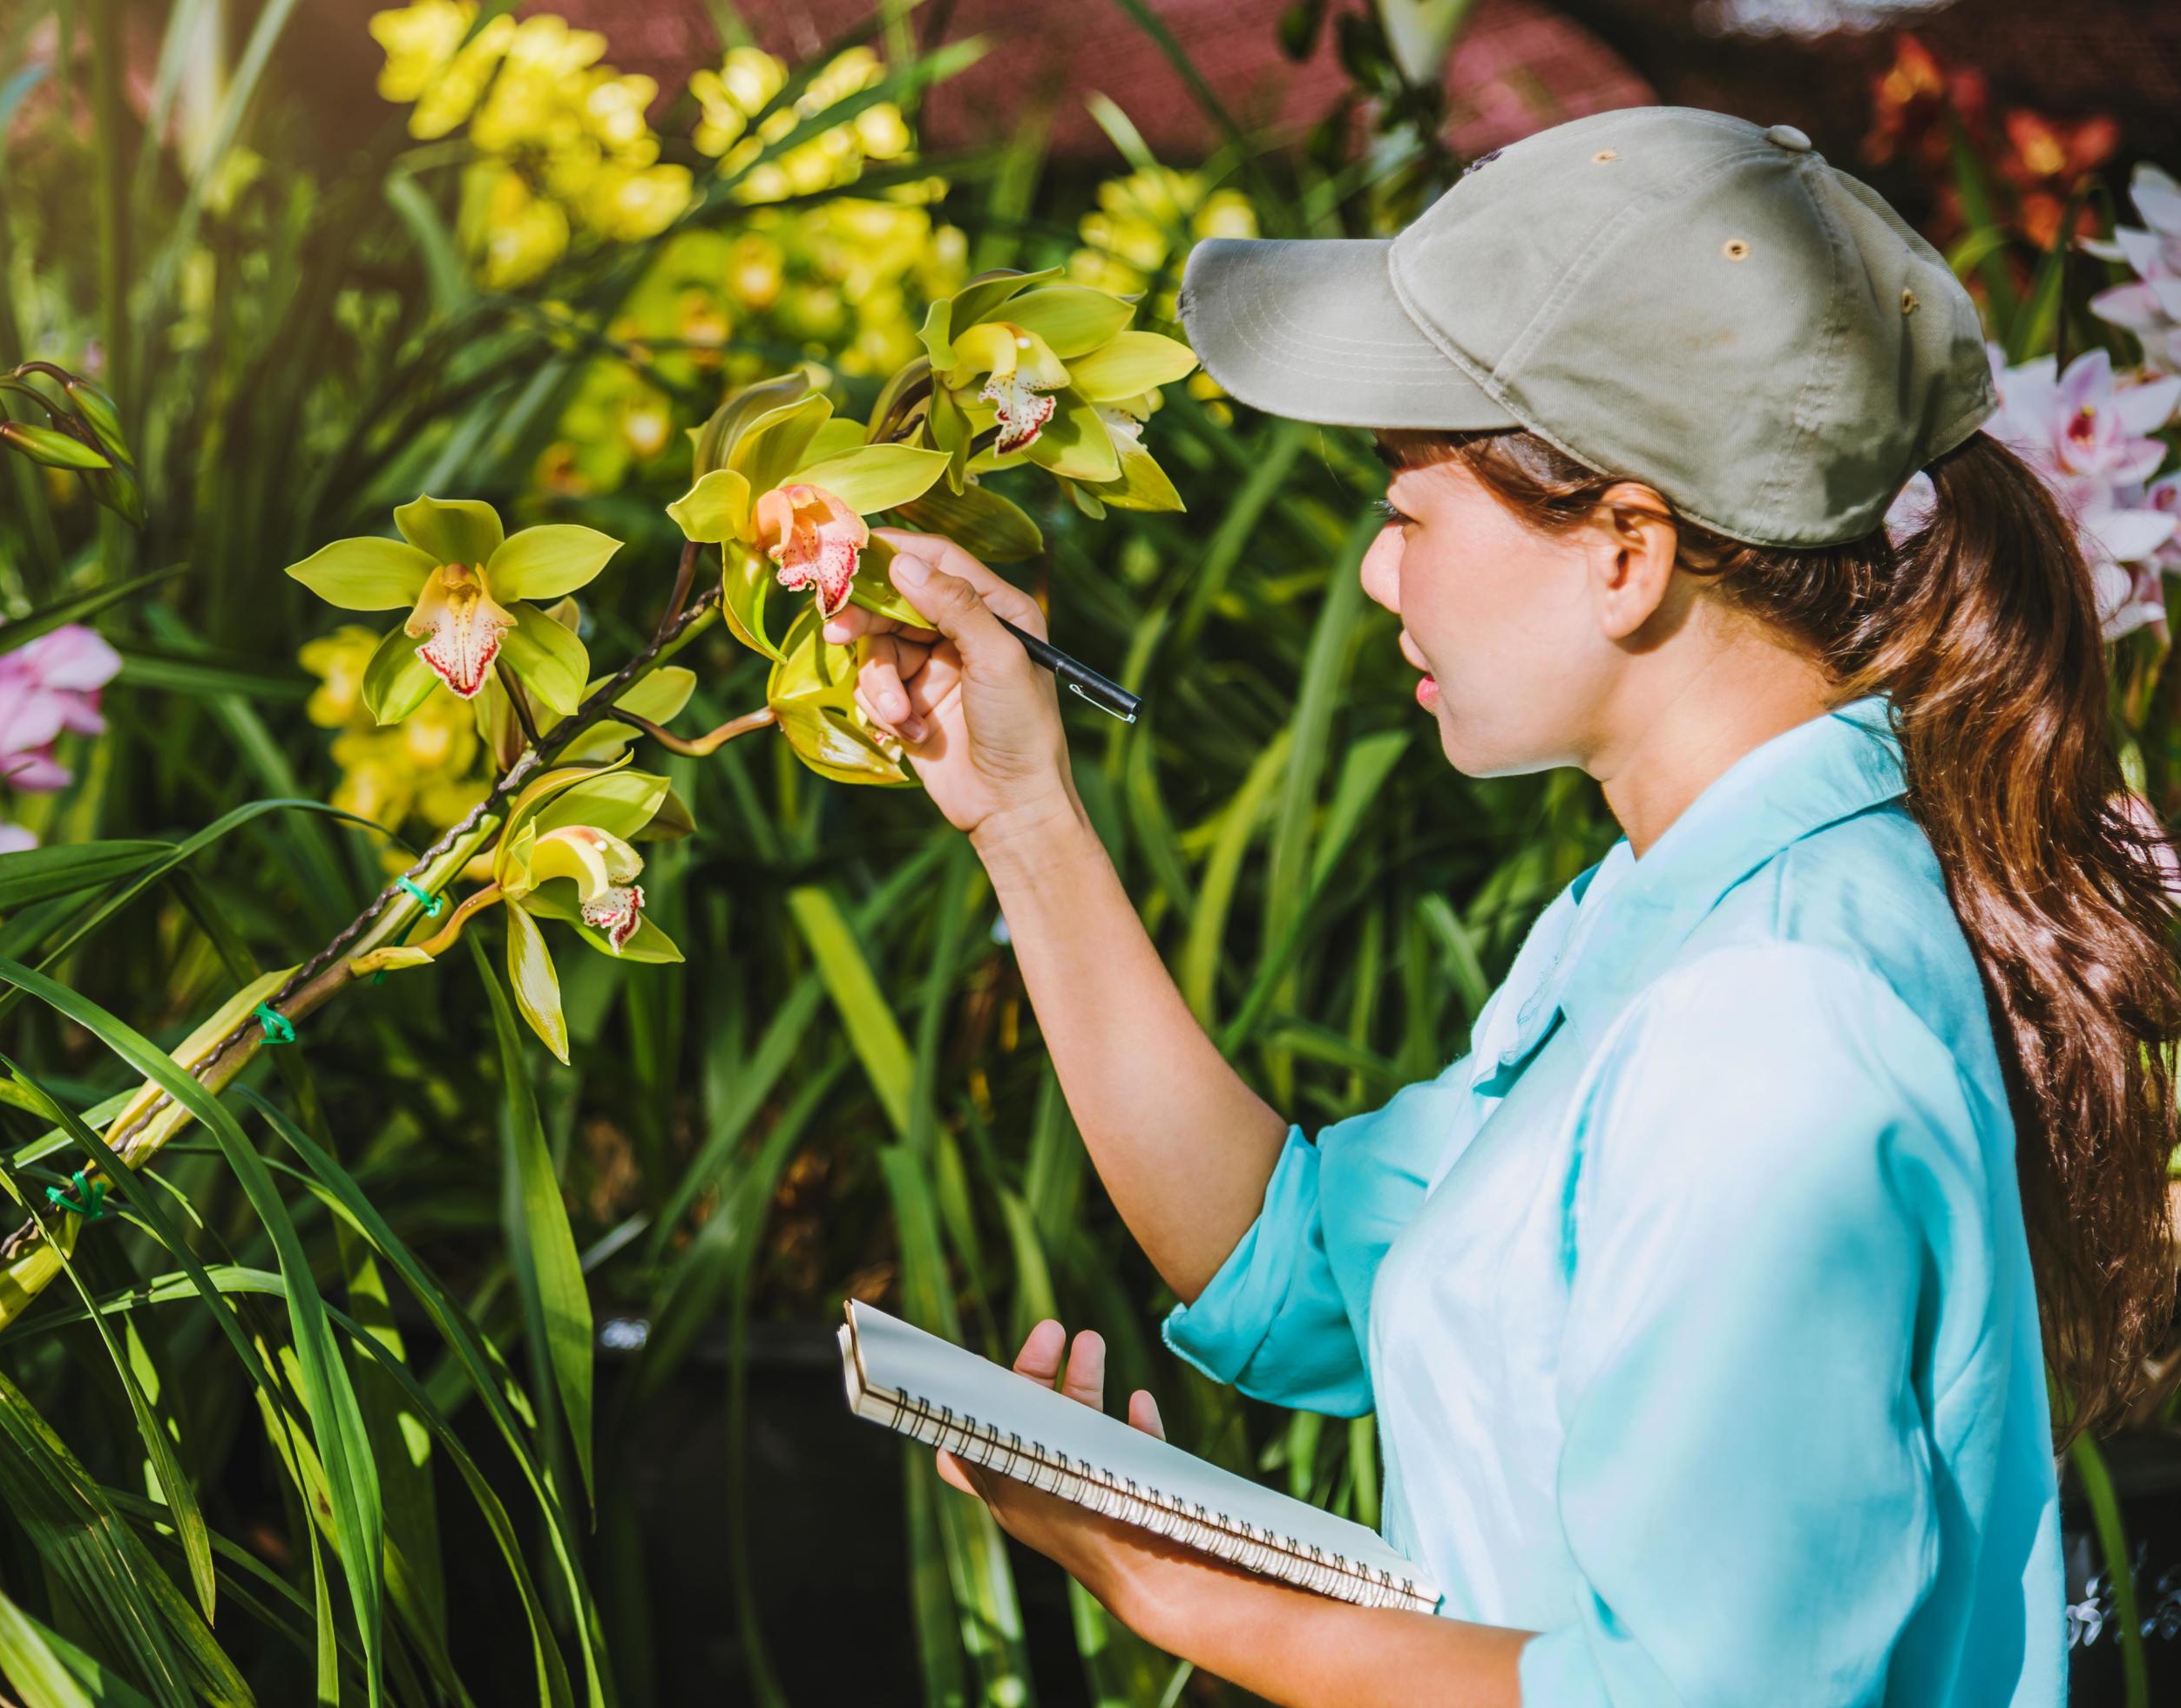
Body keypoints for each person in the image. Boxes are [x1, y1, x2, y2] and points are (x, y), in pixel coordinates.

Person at [825, 105, 2181, 1705]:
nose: (1377, 576)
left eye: (1407, 509)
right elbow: (1306, 1265)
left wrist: (1193, 1599)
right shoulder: (1665, 909)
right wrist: (1023, 814)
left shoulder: (1778, 1029)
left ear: (1626, 550)